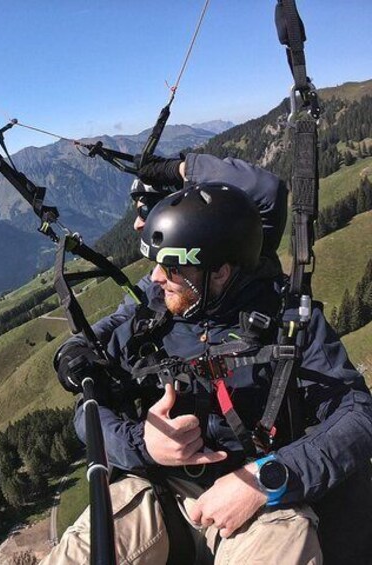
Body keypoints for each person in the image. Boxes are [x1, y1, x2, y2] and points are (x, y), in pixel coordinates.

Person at [44, 184, 372, 564]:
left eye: (171, 267)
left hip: (259, 507)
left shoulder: (289, 324)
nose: (155, 278)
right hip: (161, 493)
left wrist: (267, 480)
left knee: (286, 542)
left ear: (219, 271)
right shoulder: (150, 315)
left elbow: (358, 415)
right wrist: (140, 443)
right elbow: (88, 411)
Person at [92, 153, 287, 345]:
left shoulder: (247, 244)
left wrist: (179, 169)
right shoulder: (166, 281)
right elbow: (126, 314)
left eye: (145, 211)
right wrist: (83, 343)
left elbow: (269, 190)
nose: (136, 224)